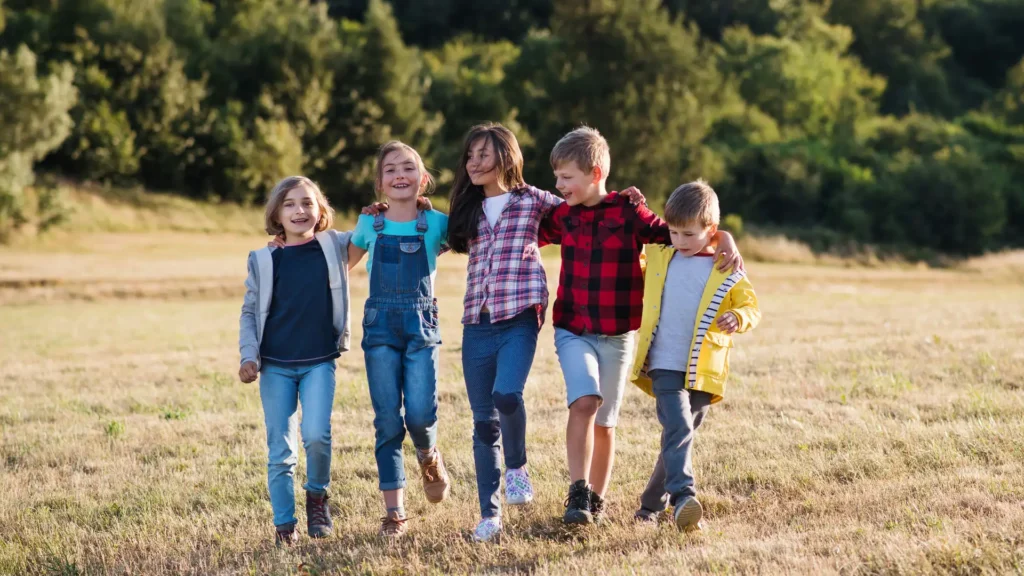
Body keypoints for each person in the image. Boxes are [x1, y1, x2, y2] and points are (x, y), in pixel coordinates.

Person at [537, 127, 743, 525]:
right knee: (585, 401)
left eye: (566, 177)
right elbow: (525, 228)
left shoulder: (628, 212)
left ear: (596, 174)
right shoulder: (563, 216)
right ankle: (577, 491)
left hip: (618, 336)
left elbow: (682, 232)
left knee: (606, 420)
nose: (558, 185)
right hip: (572, 329)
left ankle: (596, 500)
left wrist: (725, 239)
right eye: (557, 177)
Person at [629, 179, 761, 531]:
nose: (679, 241)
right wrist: (635, 207)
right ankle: (684, 498)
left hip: (704, 370)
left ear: (711, 230)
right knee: (679, 427)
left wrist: (739, 317)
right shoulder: (661, 257)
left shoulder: (725, 267)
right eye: (673, 232)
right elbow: (633, 250)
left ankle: (648, 508)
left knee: (678, 437)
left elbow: (751, 307)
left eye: (688, 234)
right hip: (663, 363)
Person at [238, 176, 353, 546]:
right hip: (275, 365)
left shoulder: (334, 246)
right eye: (289, 204)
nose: (299, 210)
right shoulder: (263, 259)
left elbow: (372, 234)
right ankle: (285, 527)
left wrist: (380, 210)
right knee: (281, 450)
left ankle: (317, 496)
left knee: (317, 435)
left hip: (320, 359)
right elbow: (250, 311)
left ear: (320, 210)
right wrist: (248, 355)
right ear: (276, 214)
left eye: (307, 203)